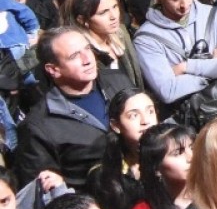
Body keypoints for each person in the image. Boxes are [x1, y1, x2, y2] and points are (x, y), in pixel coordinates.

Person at [16, 27, 140, 192]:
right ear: (53, 69)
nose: (87, 59)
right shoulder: (38, 126)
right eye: (74, 56)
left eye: (87, 48)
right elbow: (41, 192)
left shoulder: (118, 82)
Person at [124, 122, 195, 209]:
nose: (191, 157)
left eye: (192, 148)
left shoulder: (215, 192)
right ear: (157, 168)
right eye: (178, 153)